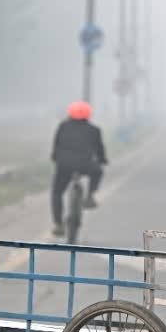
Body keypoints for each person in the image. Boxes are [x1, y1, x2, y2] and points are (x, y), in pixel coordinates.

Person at [51, 101, 108, 236]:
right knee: (98, 171)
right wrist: (102, 160)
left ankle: (58, 224)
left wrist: (55, 158)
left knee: (57, 193)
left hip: (64, 166)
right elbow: (99, 150)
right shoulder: (94, 130)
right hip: (85, 165)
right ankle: (89, 196)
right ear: (88, 114)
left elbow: (56, 147)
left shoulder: (63, 127)